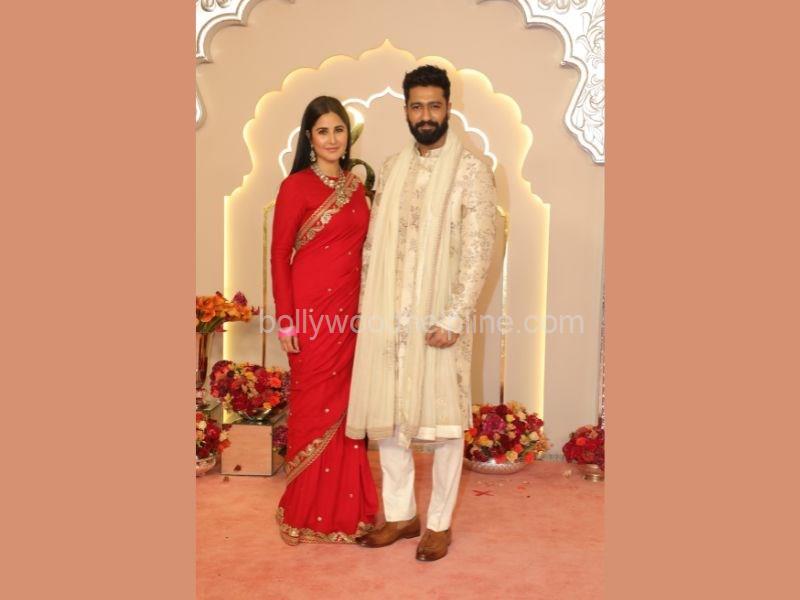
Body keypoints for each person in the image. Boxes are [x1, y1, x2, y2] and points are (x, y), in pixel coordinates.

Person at [347, 66, 497, 561]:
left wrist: (455, 317)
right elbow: (373, 246)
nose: (425, 115)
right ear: (406, 111)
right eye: (417, 106)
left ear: (449, 107)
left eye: (434, 105)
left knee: (446, 425)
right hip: (390, 316)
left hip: (439, 320)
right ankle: (400, 515)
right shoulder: (392, 168)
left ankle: (438, 524)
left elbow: (479, 249)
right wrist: (369, 309)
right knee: (391, 418)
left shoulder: (471, 171)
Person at [271, 95, 378, 545]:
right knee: (313, 409)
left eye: (338, 130)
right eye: (322, 131)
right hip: (311, 315)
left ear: (347, 136)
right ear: (309, 138)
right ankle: (303, 510)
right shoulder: (295, 187)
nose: (332, 139)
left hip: (351, 315)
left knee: (349, 409)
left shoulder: (356, 186)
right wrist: (287, 321)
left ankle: (346, 510)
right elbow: (279, 256)